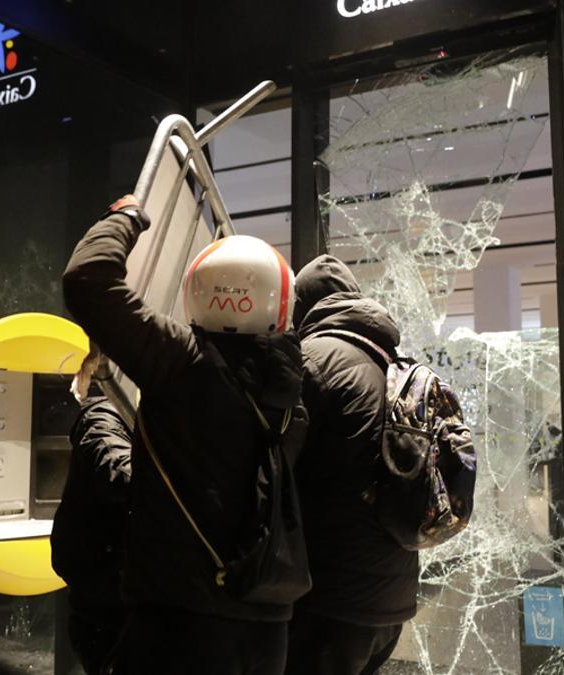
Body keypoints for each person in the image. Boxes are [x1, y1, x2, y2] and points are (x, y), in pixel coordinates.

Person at [62, 195, 308, 675]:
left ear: (197, 291)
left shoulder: (181, 361)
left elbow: (87, 279)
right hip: (267, 625)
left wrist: (125, 217)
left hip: (179, 621)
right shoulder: (291, 387)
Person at [285, 255, 414, 675]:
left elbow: (277, 463)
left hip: (332, 596)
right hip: (392, 594)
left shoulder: (311, 360)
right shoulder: (395, 362)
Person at [50, 350, 133, 675]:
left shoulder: (114, 418)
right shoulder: (104, 416)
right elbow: (119, 475)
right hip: (105, 606)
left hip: (105, 596)